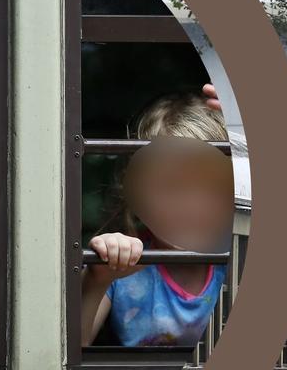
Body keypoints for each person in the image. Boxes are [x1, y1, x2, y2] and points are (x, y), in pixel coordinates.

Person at [79, 88, 230, 347]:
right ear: (135, 190)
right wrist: (98, 278)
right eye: (171, 187)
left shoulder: (243, 255)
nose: (192, 205)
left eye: (210, 186)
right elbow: (70, 349)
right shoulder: (123, 264)